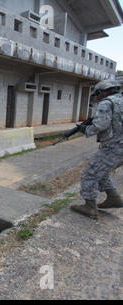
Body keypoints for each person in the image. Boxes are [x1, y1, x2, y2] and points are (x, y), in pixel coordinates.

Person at [71, 80, 123, 219]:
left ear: (104, 91)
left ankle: (90, 207)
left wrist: (86, 129)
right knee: (102, 171)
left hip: (114, 147)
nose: (97, 98)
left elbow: (101, 124)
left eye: (97, 95)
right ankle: (114, 197)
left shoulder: (107, 103)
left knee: (90, 174)